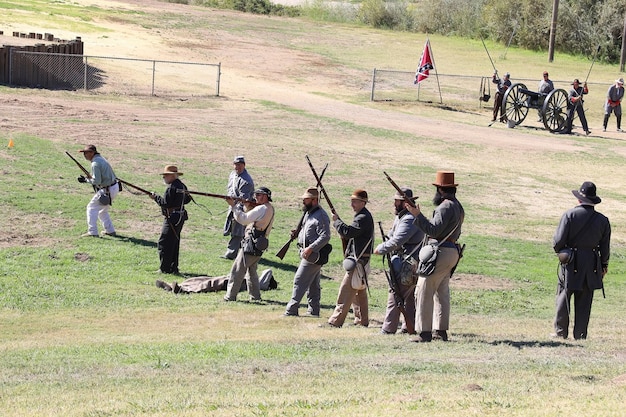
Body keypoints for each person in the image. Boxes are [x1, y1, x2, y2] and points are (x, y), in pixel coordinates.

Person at [405, 171, 464, 343]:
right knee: (442, 292)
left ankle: (424, 333)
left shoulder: (445, 206)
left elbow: (433, 230)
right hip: (451, 251)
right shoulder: (458, 206)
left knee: (423, 290)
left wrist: (417, 215)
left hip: (440, 252)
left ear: (441, 190)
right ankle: (441, 331)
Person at [552, 181, 611, 340]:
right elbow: (604, 248)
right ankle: (581, 335)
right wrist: (604, 265)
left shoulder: (569, 215)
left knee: (563, 298)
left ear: (579, 199)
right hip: (591, 264)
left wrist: (563, 252)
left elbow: (557, 242)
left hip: (570, 262)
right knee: (585, 301)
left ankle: (560, 333)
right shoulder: (603, 220)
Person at [374, 187, 424, 335]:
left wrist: (381, 249)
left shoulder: (409, 218)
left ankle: (388, 328)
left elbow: (397, 241)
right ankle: (408, 326)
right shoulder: (402, 217)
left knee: (396, 294)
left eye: (397, 201)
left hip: (407, 264)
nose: (394, 203)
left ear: (405, 203)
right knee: (407, 298)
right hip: (404, 263)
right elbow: (392, 236)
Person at [325, 189, 374, 328]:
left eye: (355, 201)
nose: (352, 204)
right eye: (352, 201)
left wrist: (336, 222)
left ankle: (335, 321)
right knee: (359, 291)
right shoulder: (362, 216)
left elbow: (349, 232)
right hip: (361, 260)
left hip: (358, 260)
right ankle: (362, 320)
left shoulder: (362, 217)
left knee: (346, 291)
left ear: (363, 203)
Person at [284, 187, 331, 317]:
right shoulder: (309, 213)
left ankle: (291, 310)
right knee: (313, 284)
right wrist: (297, 233)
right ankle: (314, 310)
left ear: (314, 200)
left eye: (306, 199)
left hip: (312, 255)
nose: (303, 202)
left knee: (299, 280)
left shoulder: (321, 215)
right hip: (308, 254)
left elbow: (325, 236)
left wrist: (311, 248)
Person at [223, 187, 274, 302]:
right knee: (252, 271)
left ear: (265, 196)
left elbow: (244, 219)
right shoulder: (268, 208)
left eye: (259, 195)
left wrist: (234, 206)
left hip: (251, 243)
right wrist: (247, 206)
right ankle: (255, 296)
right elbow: (252, 216)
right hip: (258, 243)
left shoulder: (261, 208)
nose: (256, 197)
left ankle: (230, 296)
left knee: (237, 270)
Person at [150, 165, 190, 275]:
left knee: (164, 243)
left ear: (172, 176)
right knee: (174, 242)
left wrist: (155, 198)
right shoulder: (182, 186)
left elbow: (165, 203)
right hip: (179, 217)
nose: (164, 177)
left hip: (172, 218)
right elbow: (187, 199)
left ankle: (165, 268)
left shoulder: (172, 187)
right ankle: (173, 267)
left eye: (166, 175)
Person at [77, 144, 120, 237]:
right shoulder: (101, 159)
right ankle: (110, 230)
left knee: (91, 208)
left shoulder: (95, 163)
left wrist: (86, 180)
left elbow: (97, 181)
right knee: (102, 211)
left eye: (86, 153)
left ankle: (92, 232)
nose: (85, 155)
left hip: (107, 189)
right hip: (113, 187)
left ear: (92, 153)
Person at [222, 155, 254, 260]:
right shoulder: (233, 175)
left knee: (238, 231)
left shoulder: (246, 181)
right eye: (236, 164)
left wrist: (234, 205)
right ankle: (243, 251)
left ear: (244, 165)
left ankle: (231, 254)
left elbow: (244, 199)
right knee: (233, 228)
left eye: (239, 165)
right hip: (232, 205)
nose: (237, 167)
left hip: (241, 207)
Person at [155, 269, 277, 294]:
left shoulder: (260, 285)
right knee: (202, 279)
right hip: (234, 278)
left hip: (235, 282)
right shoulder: (258, 282)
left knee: (210, 284)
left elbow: (268, 271)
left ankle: (183, 289)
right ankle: (178, 285)